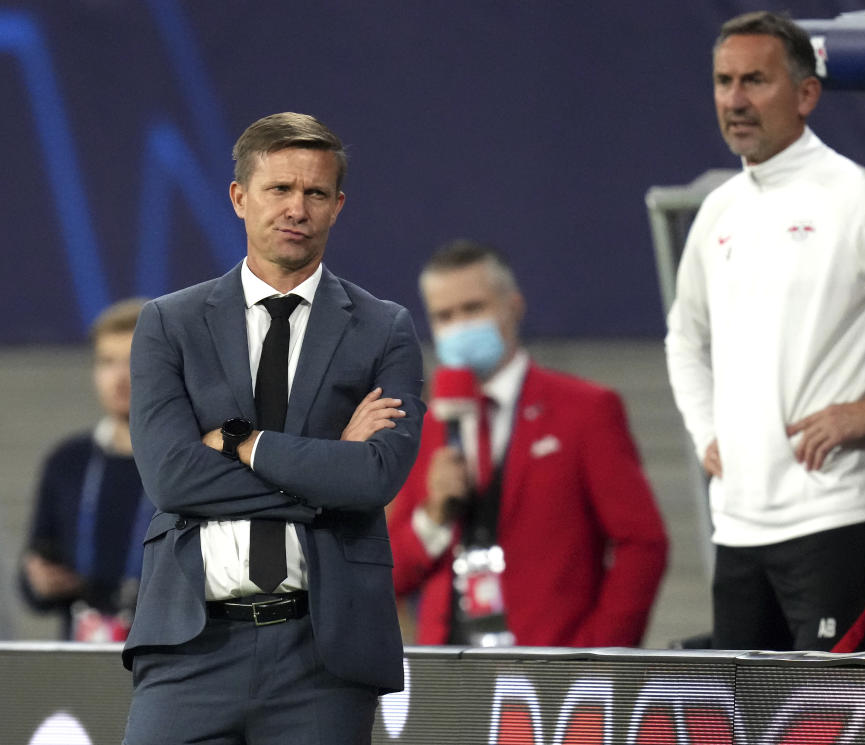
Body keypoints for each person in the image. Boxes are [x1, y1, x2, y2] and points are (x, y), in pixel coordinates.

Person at [121, 113, 424, 745]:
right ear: (239, 197)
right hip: (189, 647)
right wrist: (328, 467)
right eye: (278, 189)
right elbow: (173, 478)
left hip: (323, 653)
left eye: (315, 193)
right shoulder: (168, 323)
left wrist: (243, 443)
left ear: (337, 206)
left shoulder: (383, 328)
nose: (296, 207)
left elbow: (376, 476)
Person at [665, 11, 865, 652]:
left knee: (839, 725)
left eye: (754, 81)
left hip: (843, 518)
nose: (735, 100)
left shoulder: (859, 200)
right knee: (748, 724)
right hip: (739, 528)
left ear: (806, 94)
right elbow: (683, 339)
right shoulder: (719, 210)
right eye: (723, 82)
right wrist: (704, 429)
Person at [389, 240, 668, 647]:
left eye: (473, 309)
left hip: (552, 673)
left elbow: (643, 543)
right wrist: (433, 517)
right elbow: (390, 574)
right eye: (444, 316)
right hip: (450, 675)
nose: (460, 326)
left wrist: (601, 655)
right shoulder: (430, 427)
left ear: (513, 306)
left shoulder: (585, 410)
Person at [19, 298, 150, 641]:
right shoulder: (68, 461)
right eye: (107, 362)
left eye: (134, 360)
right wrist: (39, 582)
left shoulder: (193, 460)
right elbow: (35, 570)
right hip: (81, 658)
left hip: (168, 664)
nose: (119, 377)